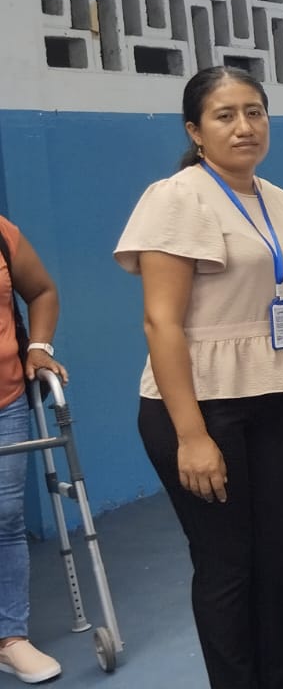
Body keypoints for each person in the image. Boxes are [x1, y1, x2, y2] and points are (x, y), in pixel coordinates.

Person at [114, 65, 283, 688]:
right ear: (195, 130)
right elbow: (160, 323)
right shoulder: (176, 198)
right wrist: (192, 435)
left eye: (254, 112)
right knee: (227, 563)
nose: (244, 126)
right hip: (198, 406)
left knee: (279, 559)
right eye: (224, 115)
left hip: (272, 396)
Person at [0, 221, 68, 685]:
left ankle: (10, 638)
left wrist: (39, 347)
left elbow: (42, 290)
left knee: (5, 516)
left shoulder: (2, 233)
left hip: (4, 399)